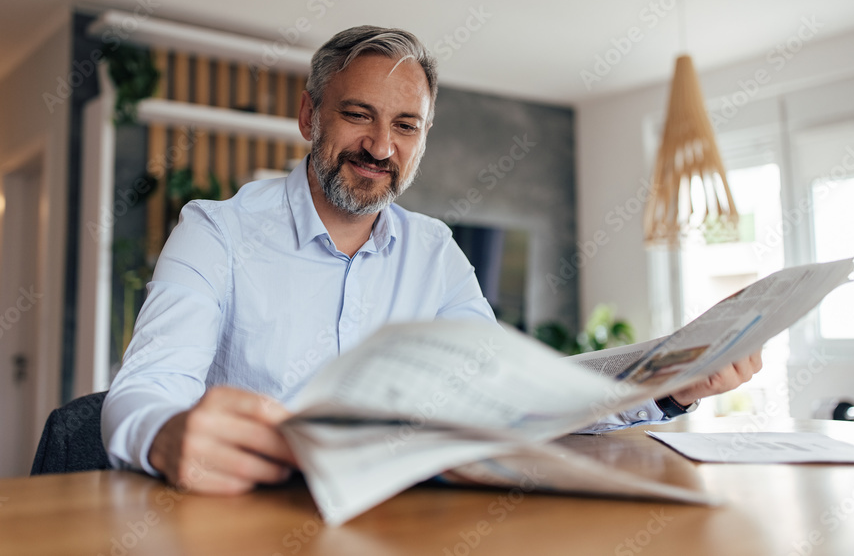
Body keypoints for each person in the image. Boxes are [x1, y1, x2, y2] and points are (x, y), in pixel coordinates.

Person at [101, 25, 763, 495]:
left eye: (406, 125)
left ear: (423, 136)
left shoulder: (435, 251)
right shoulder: (216, 231)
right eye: (357, 115)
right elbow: (144, 389)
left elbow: (513, 396)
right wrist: (163, 433)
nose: (380, 145)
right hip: (248, 519)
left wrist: (670, 380)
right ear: (309, 115)